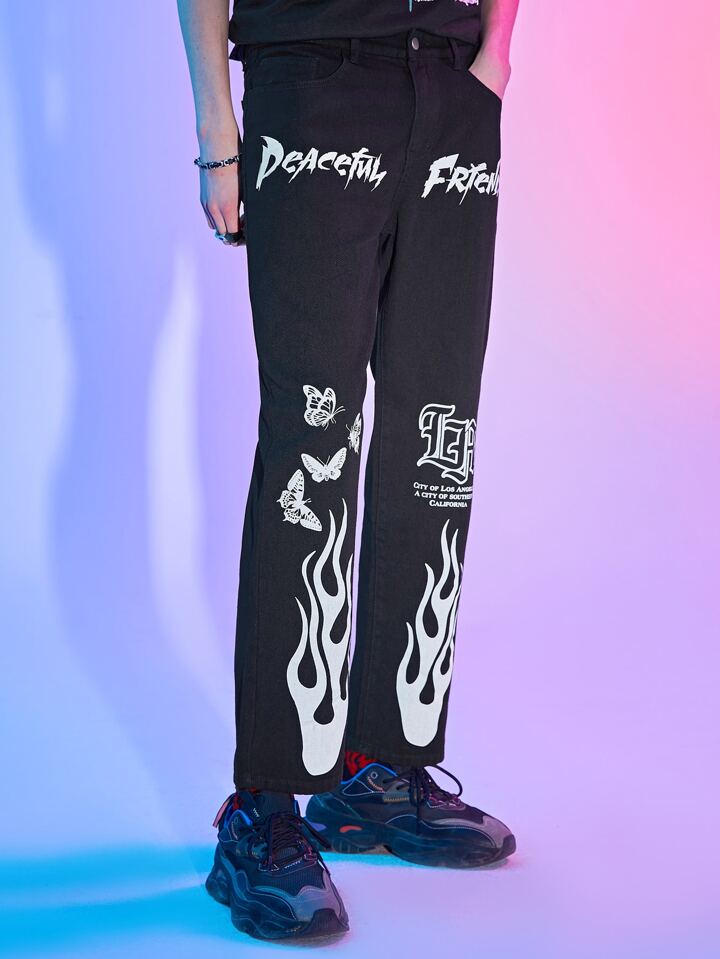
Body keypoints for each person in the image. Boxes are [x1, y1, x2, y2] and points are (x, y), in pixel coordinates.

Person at [177, 0, 519, 942]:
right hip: (314, 80)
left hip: (450, 89)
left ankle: (378, 769)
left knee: (436, 436)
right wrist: (217, 130)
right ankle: (265, 806)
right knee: (314, 441)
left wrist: (495, 53)